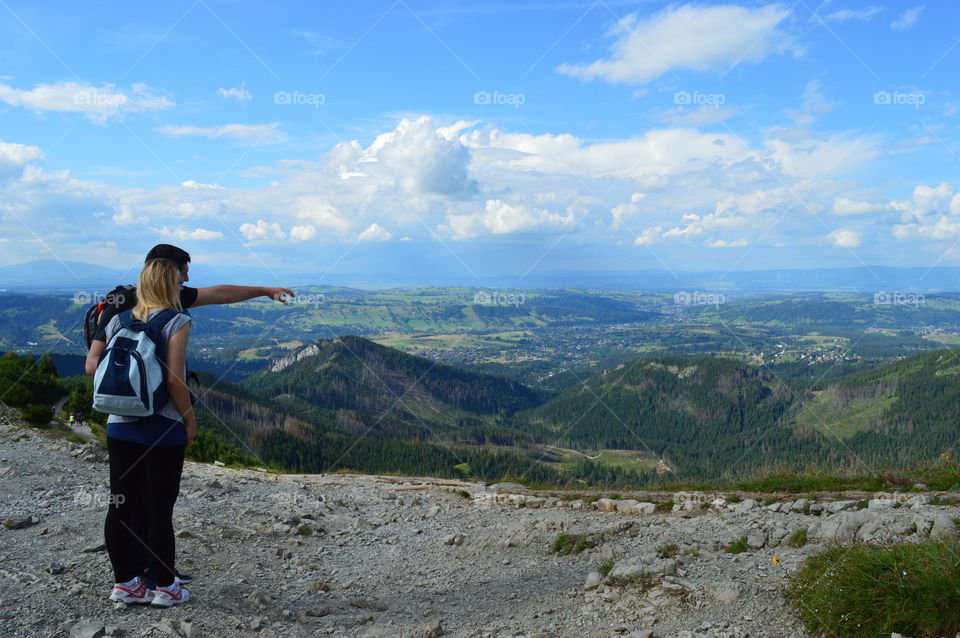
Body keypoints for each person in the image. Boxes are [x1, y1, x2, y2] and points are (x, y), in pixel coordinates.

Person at [85, 258, 199, 606]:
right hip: (162, 429)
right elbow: (173, 379)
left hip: (119, 426)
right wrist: (189, 420)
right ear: (169, 284)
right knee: (159, 509)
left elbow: (94, 368)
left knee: (119, 506)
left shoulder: (117, 319)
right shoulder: (176, 321)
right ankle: (166, 587)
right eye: (179, 279)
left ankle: (126, 584)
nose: (183, 284)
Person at [90, 243, 295, 344]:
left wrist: (265, 291)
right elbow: (93, 364)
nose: (186, 280)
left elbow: (219, 294)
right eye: (183, 273)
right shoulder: (119, 301)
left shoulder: (171, 296)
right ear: (167, 272)